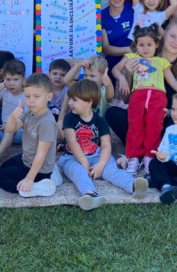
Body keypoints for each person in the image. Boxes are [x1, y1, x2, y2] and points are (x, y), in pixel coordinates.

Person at [105, 18, 177, 147]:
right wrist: (128, 75)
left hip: (164, 118)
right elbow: (126, 100)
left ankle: (151, 148)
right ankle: (139, 147)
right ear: (164, 34)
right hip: (139, 112)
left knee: (175, 124)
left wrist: (171, 112)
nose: (176, 42)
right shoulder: (144, 57)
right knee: (113, 113)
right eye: (173, 36)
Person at [57, 80, 148, 210]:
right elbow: (72, 141)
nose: (70, 103)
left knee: (111, 170)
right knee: (78, 172)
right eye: (70, 99)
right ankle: (90, 194)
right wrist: (83, 162)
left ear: (88, 102)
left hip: (96, 155)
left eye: (74, 100)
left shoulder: (100, 121)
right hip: (73, 157)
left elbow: (106, 145)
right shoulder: (69, 118)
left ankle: (133, 185)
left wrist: (100, 164)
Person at [112, 24, 177, 175]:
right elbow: (115, 69)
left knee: (153, 126)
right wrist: (123, 79)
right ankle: (133, 157)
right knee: (135, 126)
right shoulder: (131, 58)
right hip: (138, 96)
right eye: (141, 45)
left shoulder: (161, 62)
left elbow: (172, 81)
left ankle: (149, 156)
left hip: (157, 97)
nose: (145, 48)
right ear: (136, 46)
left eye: (149, 45)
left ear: (157, 45)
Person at [0, 73, 58, 197]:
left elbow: (41, 154)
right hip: (27, 159)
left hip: (39, 168)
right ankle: (50, 176)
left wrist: (29, 179)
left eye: (36, 96)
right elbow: (11, 129)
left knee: (0, 177)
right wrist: (13, 116)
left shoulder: (46, 122)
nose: (31, 100)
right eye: (27, 96)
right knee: (4, 167)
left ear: (48, 96)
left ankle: (33, 188)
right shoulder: (30, 111)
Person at [101, 0, 134, 73]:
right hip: (112, 65)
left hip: (134, 62)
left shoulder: (134, 9)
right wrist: (130, 49)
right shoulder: (101, 16)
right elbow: (106, 48)